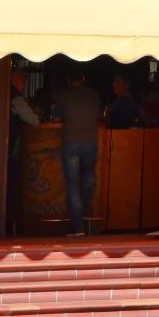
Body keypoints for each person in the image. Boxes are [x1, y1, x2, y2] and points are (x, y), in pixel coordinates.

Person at [56, 69, 101, 236]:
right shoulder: (93, 94)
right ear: (83, 78)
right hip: (90, 142)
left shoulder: (64, 95)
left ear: (69, 79)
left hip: (71, 142)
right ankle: (85, 216)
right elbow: (98, 115)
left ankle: (78, 227)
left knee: (73, 185)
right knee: (88, 180)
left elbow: (56, 117)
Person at [7, 72, 40, 223]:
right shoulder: (14, 96)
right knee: (11, 178)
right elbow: (31, 119)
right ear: (16, 80)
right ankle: (10, 217)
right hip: (10, 144)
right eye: (23, 82)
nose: (24, 86)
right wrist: (39, 119)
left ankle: (8, 218)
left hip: (5, 143)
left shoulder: (4, 92)